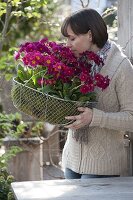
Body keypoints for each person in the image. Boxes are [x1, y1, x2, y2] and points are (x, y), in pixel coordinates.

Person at [61, 8, 133, 179]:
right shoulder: (75, 63)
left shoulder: (121, 67)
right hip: (71, 161)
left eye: (72, 38)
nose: (67, 44)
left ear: (90, 35)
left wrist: (95, 117)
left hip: (102, 167)